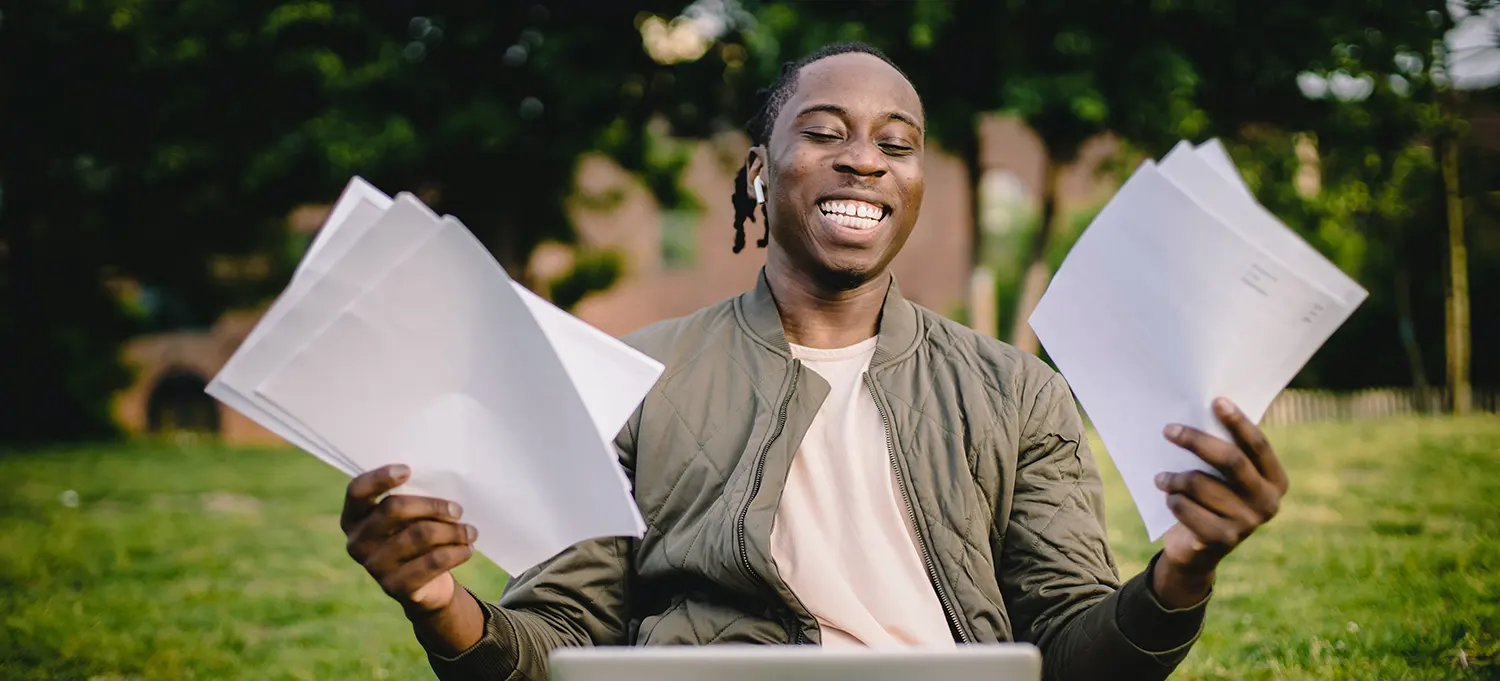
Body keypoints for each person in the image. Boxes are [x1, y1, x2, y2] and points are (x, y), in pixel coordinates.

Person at [338, 42, 1290, 681]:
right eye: (825, 132)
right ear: (760, 171)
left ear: (915, 185)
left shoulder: (1016, 391)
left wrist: (1182, 572)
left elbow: (1076, 649)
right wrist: (435, 599)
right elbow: (553, 647)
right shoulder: (632, 381)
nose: (864, 161)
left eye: (897, 144)